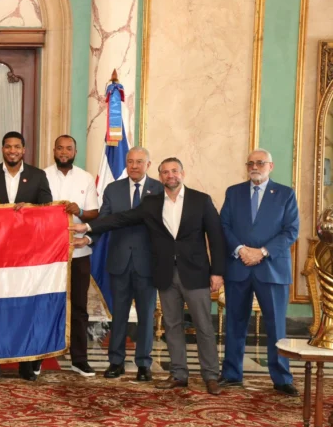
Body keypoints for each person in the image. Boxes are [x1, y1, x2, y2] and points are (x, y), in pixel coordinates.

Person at [71, 157, 226, 395]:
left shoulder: (201, 200)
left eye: (174, 171)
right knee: (172, 326)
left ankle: (211, 375)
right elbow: (121, 218)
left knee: (203, 325)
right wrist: (88, 227)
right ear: (160, 176)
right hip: (164, 274)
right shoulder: (152, 202)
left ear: (182, 174)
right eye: (165, 172)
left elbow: (216, 238)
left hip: (195, 274)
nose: (170, 175)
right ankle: (179, 373)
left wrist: (217, 272)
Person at [218, 149, 299, 396]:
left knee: (276, 326)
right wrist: (241, 250)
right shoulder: (234, 192)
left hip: (272, 268)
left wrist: (262, 252)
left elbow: (291, 231)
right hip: (238, 266)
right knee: (235, 323)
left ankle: (282, 378)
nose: (255, 167)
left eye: (260, 163)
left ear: (270, 166)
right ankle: (231, 374)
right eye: (250, 163)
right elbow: (224, 225)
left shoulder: (285, 194)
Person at [0, 131, 53, 381]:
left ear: (24, 150)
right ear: (2, 149)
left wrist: (29, 208)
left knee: (24, 307)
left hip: (26, 254)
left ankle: (25, 364)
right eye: (8, 146)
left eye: (17, 147)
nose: (12, 151)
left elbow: (47, 209)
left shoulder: (38, 175)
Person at [93, 146, 163, 382]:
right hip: (119, 262)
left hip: (147, 264)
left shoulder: (159, 189)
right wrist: (89, 238)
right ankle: (116, 362)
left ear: (148, 165)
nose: (134, 166)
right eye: (130, 161)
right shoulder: (113, 189)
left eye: (139, 162)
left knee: (146, 316)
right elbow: (104, 220)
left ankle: (144, 363)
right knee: (119, 315)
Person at [43, 135, 99, 378]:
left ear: (75, 152)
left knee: (79, 307)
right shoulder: (42, 176)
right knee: (46, 305)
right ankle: (41, 358)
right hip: (47, 255)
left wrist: (80, 211)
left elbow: (94, 213)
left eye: (69, 148)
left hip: (79, 253)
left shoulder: (85, 178)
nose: (64, 152)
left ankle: (79, 360)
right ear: (54, 151)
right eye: (60, 148)